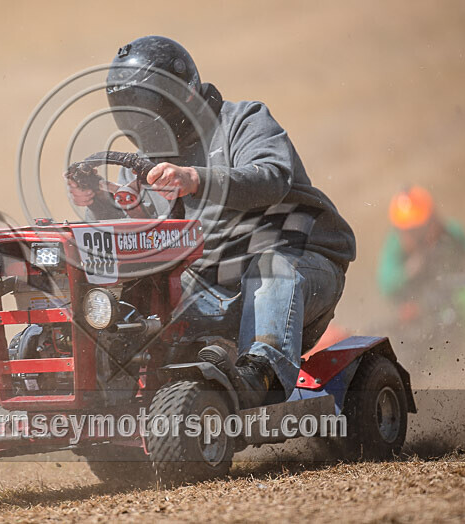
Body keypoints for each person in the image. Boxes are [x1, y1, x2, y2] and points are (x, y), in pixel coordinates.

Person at [66, 36, 356, 406]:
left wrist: (196, 179)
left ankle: (260, 375)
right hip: (210, 284)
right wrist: (100, 203)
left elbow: (273, 177)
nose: (140, 119)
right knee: (130, 296)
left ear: (181, 94)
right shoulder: (140, 166)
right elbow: (144, 245)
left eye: (146, 106)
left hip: (300, 263)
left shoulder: (243, 121)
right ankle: (112, 390)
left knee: (271, 268)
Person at [377, 186, 465, 337]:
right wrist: (411, 269)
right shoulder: (395, 245)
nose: (415, 235)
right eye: (408, 231)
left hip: (457, 300)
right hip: (421, 314)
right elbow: (386, 285)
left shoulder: (450, 232)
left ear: (434, 219)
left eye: (420, 228)